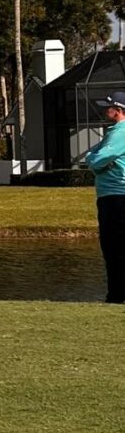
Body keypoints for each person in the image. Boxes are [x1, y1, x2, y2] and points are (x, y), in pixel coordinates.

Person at [87, 90, 125, 304]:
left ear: (118, 110)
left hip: (117, 197)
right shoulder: (113, 132)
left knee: (115, 247)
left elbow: (98, 158)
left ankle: (117, 297)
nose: (104, 110)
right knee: (112, 247)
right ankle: (116, 295)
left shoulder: (121, 132)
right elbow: (92, 156)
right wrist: (97, 161)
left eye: (108, 107)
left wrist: (96, 163)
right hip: (111, 196)